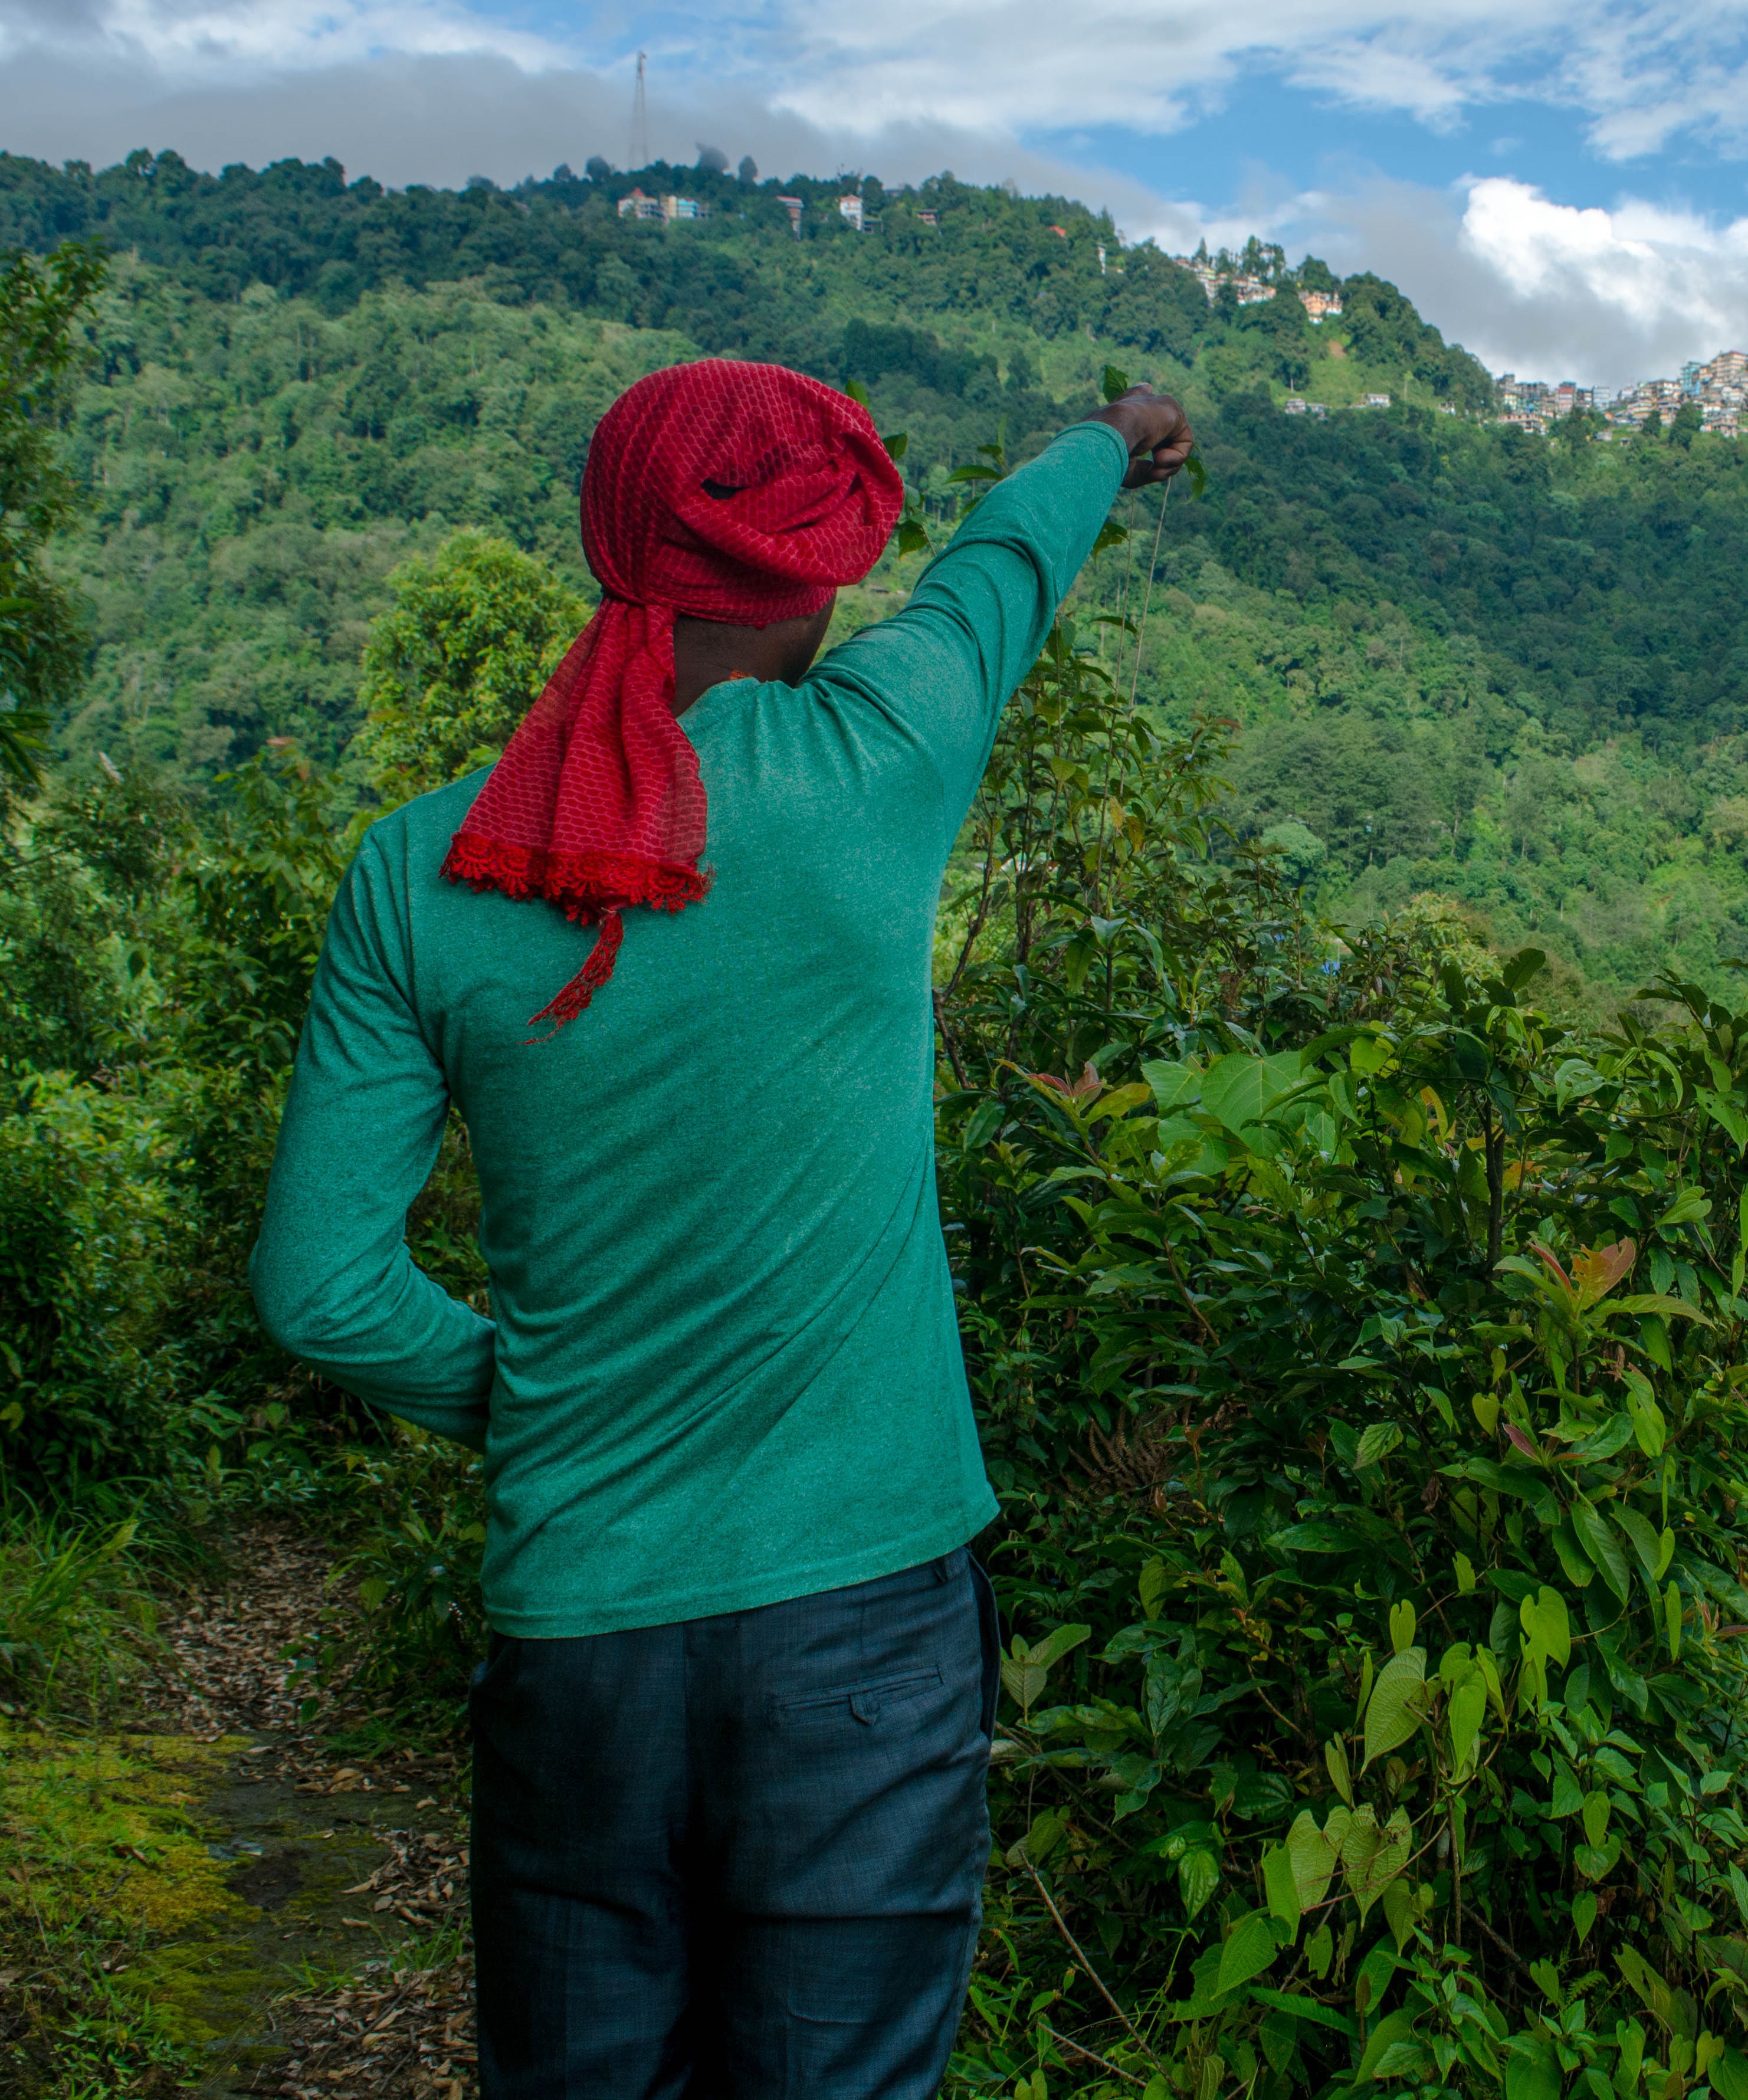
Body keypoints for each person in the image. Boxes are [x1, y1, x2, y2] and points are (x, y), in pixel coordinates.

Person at [250, 359, 1194, 2099]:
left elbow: (320, 1288)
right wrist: (1114, 437)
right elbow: (1004, 560)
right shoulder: (881, 755)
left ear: (612, 542)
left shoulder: (420, 866)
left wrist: (549, 1398)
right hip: (862, 1629)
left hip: (578, 1641)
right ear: (825, 564)